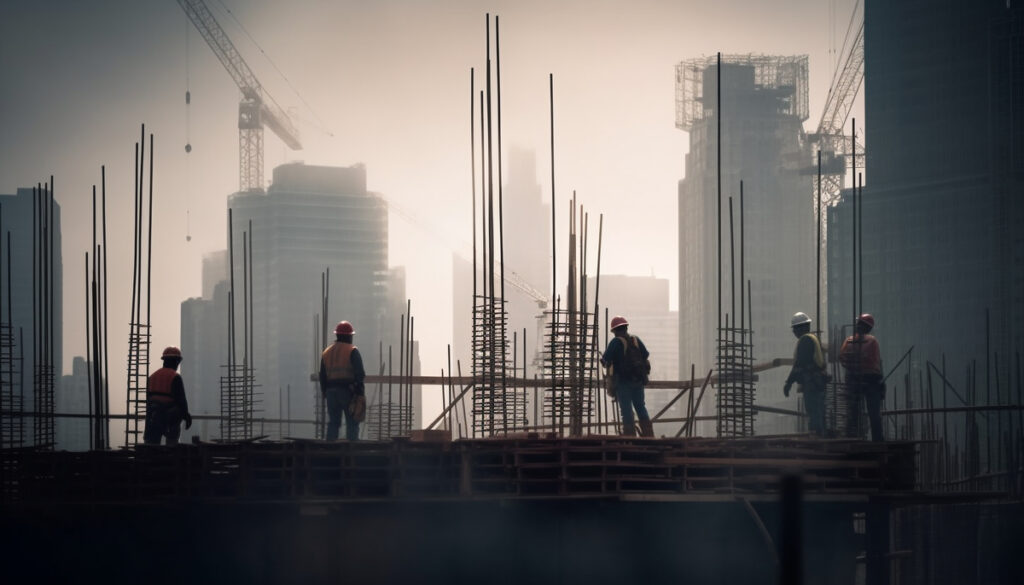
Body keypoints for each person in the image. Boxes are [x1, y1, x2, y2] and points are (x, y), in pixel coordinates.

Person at [601, 315, 653, 437]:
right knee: (640, 407)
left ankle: (630, 437)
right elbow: (645, 355)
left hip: (623, 382)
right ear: (626, 327)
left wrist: (604, 360)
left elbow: (605, 360)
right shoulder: (635, 340)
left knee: (626, 410)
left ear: (614, 331)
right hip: (638, 380)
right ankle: (648, 435)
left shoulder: (615, 342)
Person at [840, 313, 885, 441]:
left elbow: (842, 358)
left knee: (853, 412)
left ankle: (853, 437)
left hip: (853, 380)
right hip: (872, 381)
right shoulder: (872, 341)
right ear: (869, 328)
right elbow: (876, 363)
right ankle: (877, 440)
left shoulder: (848, 341)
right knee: (874, 413)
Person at [319, 320, 366, 441]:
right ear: (349, 336)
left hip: (330, 392)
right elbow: (360, 373)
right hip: (347, 391)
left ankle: (329, 450)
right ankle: (351, 450)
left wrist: (324, 392)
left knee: (333, 423)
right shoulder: (352, 350)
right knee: (352, 421)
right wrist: (360, 393)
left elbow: (322, 376)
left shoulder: (326, 353)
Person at [784, 312, 829, 436]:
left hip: (812, 383)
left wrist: (788, 383)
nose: (794, 332)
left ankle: (817, 440)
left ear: (802, 327)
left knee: (814, 413)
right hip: (817, 382)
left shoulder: (806, 340)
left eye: (795, 329)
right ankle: (821, 438)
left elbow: (799, 365)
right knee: (819, 413)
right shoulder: (813, 338)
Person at [144, 346, 193, 445]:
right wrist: (187, 417)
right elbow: (181, 400)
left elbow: (148, 399)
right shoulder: (175, 377)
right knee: (177, 415)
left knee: (151, 445)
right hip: (169, 415)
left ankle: (150, 454)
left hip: (153, 416)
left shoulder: (152, 377)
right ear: (176, 361)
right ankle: (172, 447)